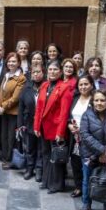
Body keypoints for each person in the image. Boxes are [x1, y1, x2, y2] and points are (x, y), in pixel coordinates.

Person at [34, 60, 72, 193]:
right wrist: (36, 126)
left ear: (60, 72)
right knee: (45, 154)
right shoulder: (44, 85)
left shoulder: (64, 87)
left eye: (55, 70)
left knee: (56, 156)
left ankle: (56, 185)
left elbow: (64, 112)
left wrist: (60, 132)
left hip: (56, 128)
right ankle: (45, 181)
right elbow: (39, 108)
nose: (52, 72)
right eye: (50, 69)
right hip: (44, 127)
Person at [79, 89, 106, 210]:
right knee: (87, 180)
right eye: (96, 100)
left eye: (102, 100)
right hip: (90, 154)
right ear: (92, 102)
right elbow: (85, 135)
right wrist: (102, 150)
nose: (99, 103)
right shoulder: (87, 115)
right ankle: (86, 204)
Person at [0, 53, 26, 169]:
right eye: (9, 61)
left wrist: (3, 106)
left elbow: (16, 98)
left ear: (18, 63)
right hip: (3, 112)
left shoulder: (21, 78)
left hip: (13, 113)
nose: (11, 63)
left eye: (14, 61)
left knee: (11, 137)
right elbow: (0, 93)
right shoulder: (6, 75)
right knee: (4, 135)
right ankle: (5, 157)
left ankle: (10, 160)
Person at [67, 75, 95, 198]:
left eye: (86, 84)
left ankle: (89, 189)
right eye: (81, 85)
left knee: (88, 164)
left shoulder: (94, 100)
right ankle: (78, 186)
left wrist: (82, 130)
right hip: (74, 137)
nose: (83, 87)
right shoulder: (75, 98)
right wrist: (69, 126)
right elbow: (69, 116)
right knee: (75, 162)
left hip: (88, 137)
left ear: (91, 85)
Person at [18, 63, 44, 181]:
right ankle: (29, 168)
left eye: (38, 72)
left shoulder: (47, 87)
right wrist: (20, 124)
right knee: (29, 148)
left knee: (41, 149)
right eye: (34, 72)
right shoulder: (26, 88)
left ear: (43, 73)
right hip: (29, 123)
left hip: (43, 125)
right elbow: (21, 108)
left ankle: (39, 170)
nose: (36, 74)